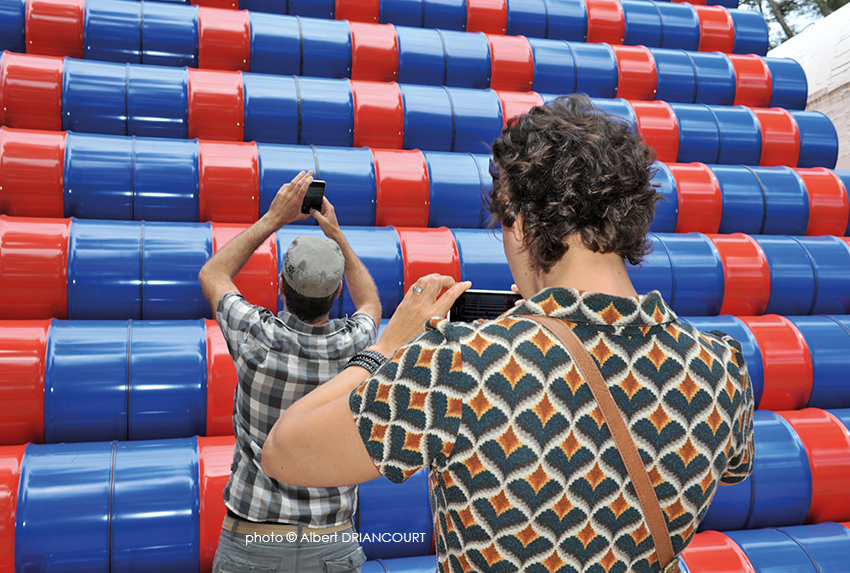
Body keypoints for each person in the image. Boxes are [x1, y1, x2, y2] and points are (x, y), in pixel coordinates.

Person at [261, 96, 755, 573]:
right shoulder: (722, 366)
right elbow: (731, 469)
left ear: (518, 222)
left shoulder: (463, 367)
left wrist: (386, 349)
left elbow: (284, 451)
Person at [199, 171, 382, 573]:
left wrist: (273, 218)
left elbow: (213, 273)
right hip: (331, 543)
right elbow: (370, 302)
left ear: (280, 284)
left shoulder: (254, 334)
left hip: (254, 540)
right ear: (336, 295)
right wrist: (336, 237)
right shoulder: (356, 344)